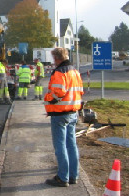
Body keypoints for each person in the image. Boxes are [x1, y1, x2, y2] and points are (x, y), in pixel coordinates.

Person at [44, 47, 83, 187]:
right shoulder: (75, 71)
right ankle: (73, 175)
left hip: (60, 114)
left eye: (54, 58)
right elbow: (80, 91)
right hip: (73, 112)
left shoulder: (60, 72)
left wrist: (48, 99)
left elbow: (58, 93)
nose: (53, 61)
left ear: (57, 58)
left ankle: (62, 177)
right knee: (71, 145)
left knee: (60, 146)